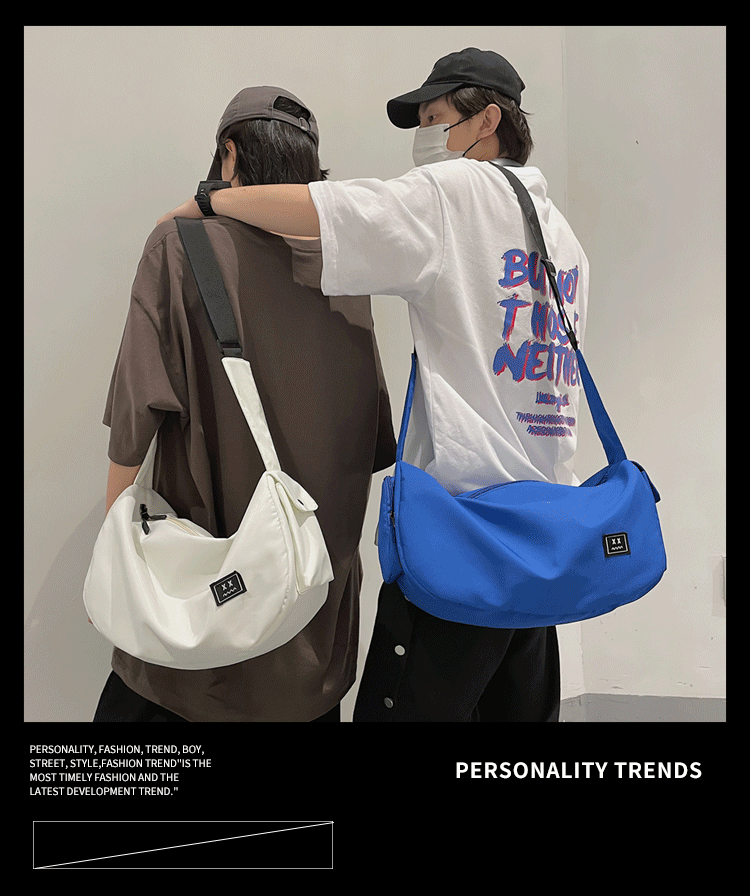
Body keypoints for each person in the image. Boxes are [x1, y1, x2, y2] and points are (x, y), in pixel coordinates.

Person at [159, 49, 590, 722]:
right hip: (542, 545)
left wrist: (212, 198)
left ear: (488, 121)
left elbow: (331, 212)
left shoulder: (458, 193)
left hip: (463, 542)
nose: (424, 136)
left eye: (435, 118)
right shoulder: (561, 236)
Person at [92, 86, 396, 722]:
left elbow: (133, 421)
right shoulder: (347, 271)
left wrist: (116, 550)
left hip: (201, 629)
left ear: (229, 155)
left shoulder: (180, 247)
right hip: (312, 640)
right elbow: (370, 443)